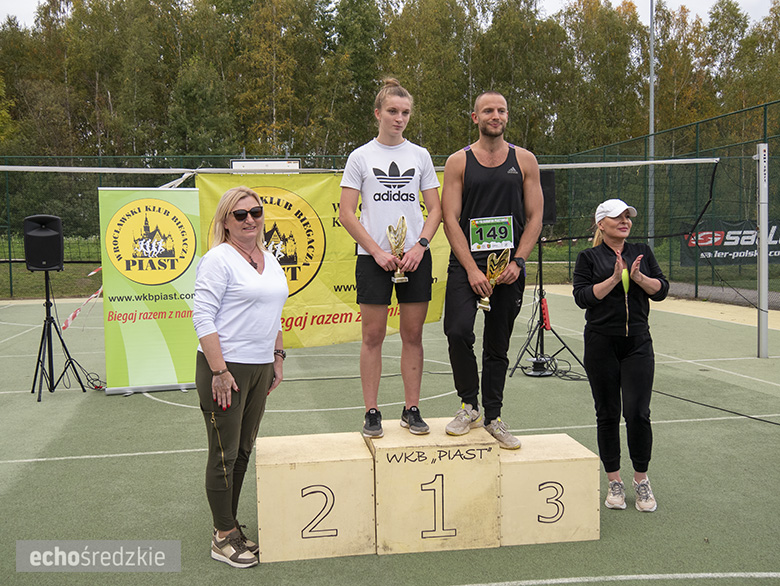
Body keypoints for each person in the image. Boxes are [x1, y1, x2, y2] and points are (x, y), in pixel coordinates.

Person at [339, 78, 442, 438]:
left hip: (414, 258)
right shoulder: (360, 157)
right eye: (393, 112)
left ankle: (411, 409)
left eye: (406, 113)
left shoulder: (420, 155)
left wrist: (420, 246)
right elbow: (347, 214)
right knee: (373, 336)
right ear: (378, 113)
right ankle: (371, 412)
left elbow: (435, 208)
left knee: (413, 336)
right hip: (374, 260)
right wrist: (378, 251)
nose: (399, 118)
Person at [440, 91, 543, 449]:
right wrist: (470, 268)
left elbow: (535, 217)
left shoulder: (525, 160)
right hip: (467, 266)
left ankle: (494, 416)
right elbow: (450, 219)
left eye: (500, 110)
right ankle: (469, 405)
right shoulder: (458, 162)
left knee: (497, 345)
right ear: (475, 117)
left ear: (507, 117)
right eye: (488, 110)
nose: (495, 115)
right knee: (457, 331)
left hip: (509, 271)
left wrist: (518, 261)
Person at [193, 186, 289, 567]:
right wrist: (218, 371)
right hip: (225, 369)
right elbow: (202, 317)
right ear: (225, 221)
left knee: (243, 451)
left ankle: (229, 526)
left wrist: (277, 357)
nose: (250, 219)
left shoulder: (270, 258)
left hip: (260, 367)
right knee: (223, 454)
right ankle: (222, 537)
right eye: (240, 214)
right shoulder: (217, 260)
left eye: (255, 212)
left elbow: (275, 312)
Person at [572, 198, 669, 513]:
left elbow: (662, 289)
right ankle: (614, 481)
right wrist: (614, 278)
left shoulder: (640, 252)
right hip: (601, 344)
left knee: (638, 412)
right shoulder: (588, 257)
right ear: (602, 224)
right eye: (617, 217)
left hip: (638, 343)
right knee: (608, 413)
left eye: (628, 216)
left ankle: (641, 480)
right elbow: (583, 298)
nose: (624, 221)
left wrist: (638, 277)